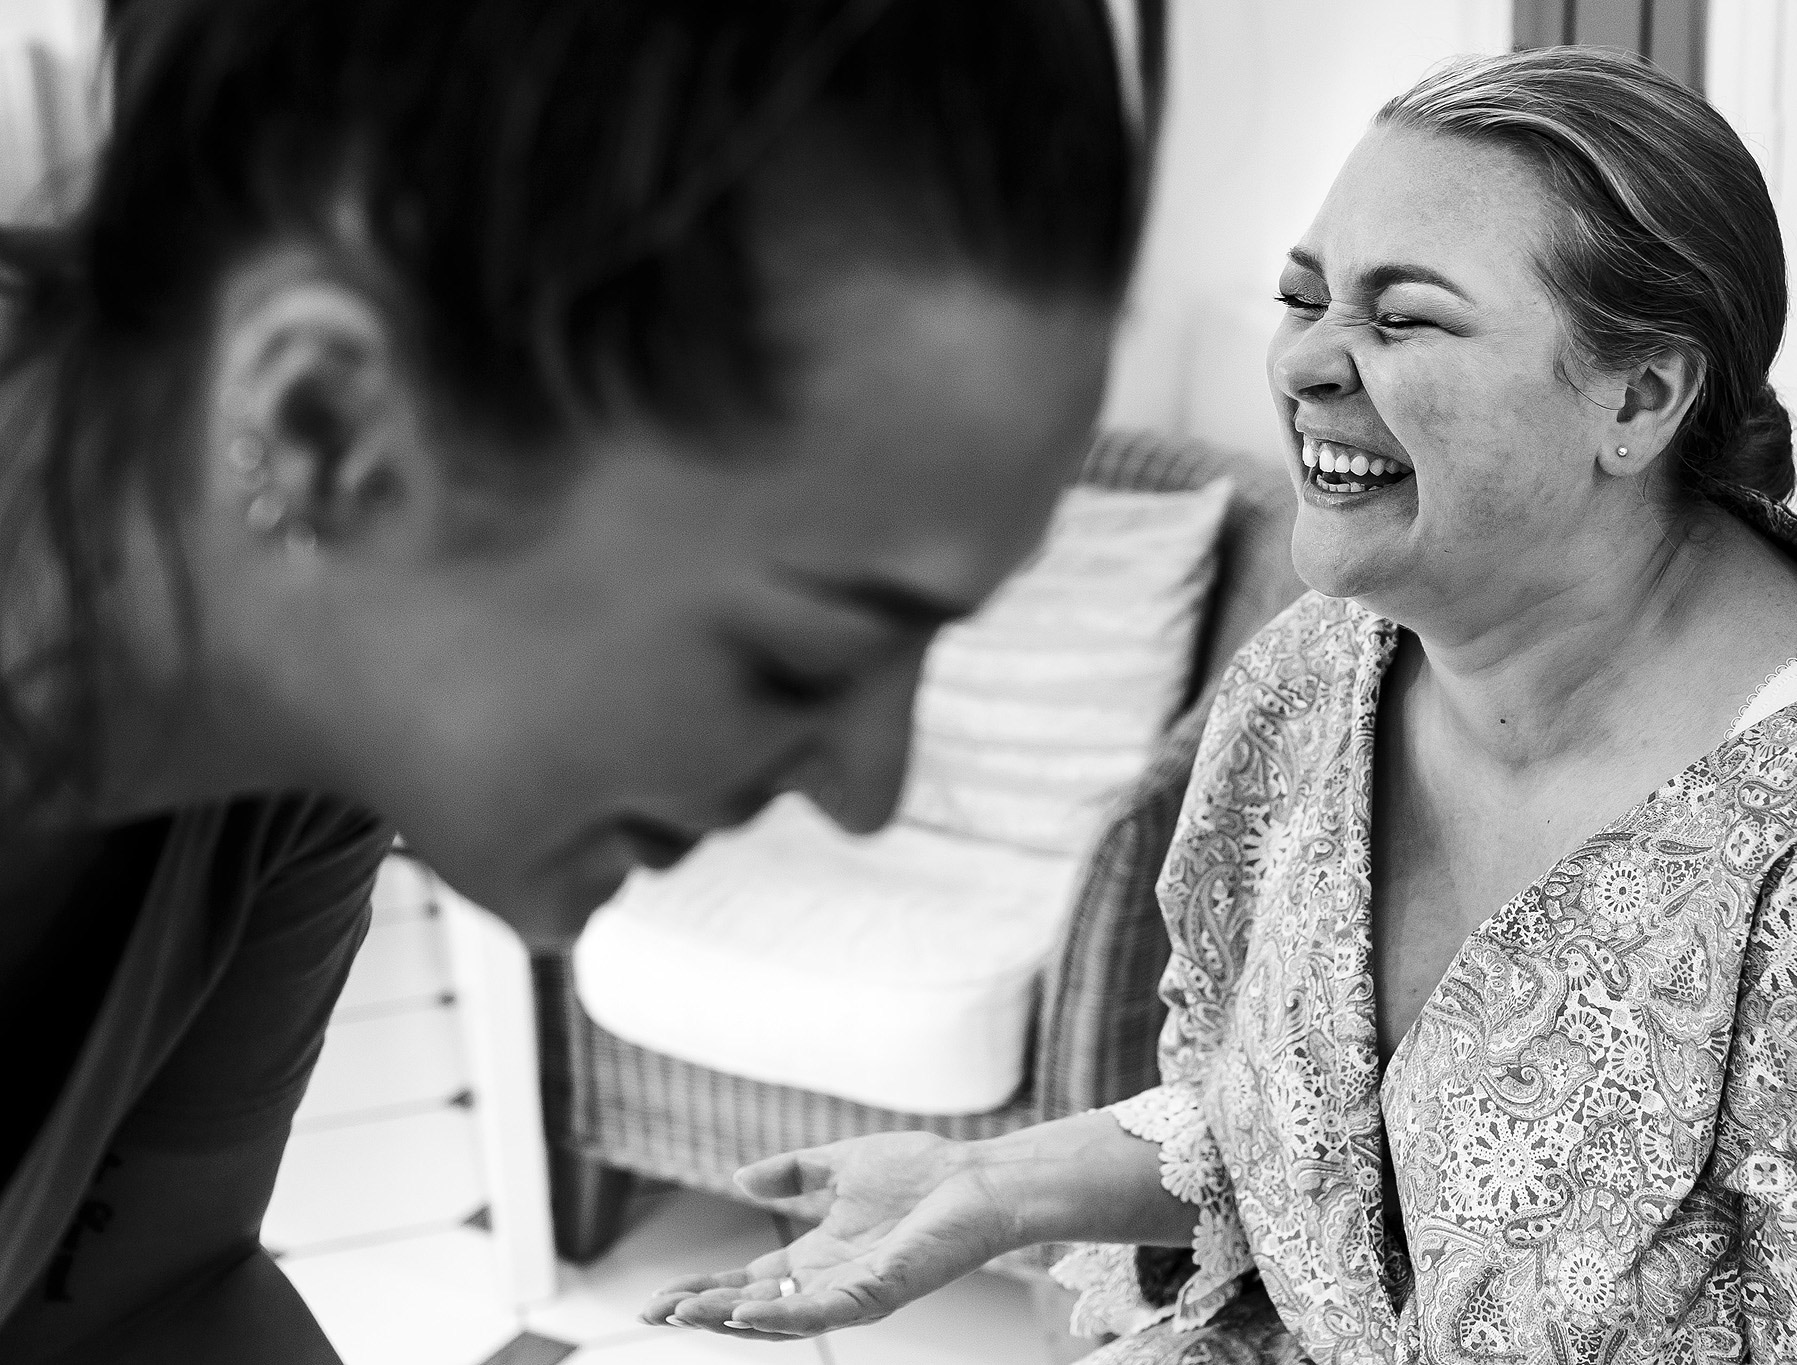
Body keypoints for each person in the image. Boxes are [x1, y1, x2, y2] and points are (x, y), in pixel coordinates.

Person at [645, 47, 1797, 1363]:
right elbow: (1290, 1143)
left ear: (1643, 395)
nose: (1308, 360)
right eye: (1305, 295)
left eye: (1404, 315)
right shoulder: (1323, 667)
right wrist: (992, 1181)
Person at [0, 0, 1144, 1358]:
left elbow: (150, 1291)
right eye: (800, 653)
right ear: (329, 424)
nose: (870, 791)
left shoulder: (302, 733)